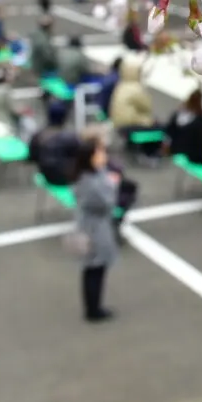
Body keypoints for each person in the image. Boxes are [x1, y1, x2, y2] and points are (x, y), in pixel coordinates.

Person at [72, 137, 119, 322]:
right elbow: (105, 203)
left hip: (90, 226)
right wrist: (113, 185)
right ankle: (94, 309)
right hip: (94, 229)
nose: (103, 156)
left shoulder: (88, 175)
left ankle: (93, 306)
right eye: (99, 153)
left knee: (93, 269)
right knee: (95, 268)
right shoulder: (90, 182)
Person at [108, 54, 158, 153]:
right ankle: (151, 151)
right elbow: (147, 107)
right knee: (157, 124)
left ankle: (131, 145)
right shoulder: (136, 88)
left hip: (117, 123)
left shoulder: (120, 85)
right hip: (129, 124)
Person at [29, 100, 81, 186]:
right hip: (67, 179)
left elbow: (32, 157)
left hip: (45, 175)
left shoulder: (38, 135)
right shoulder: (70, 137)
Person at [163, 88, 202, 165]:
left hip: (179, 148)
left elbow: (170, 130)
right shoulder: (199, 119)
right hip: (188, 151)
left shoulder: (180, 113)